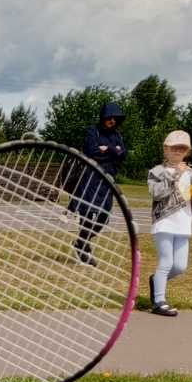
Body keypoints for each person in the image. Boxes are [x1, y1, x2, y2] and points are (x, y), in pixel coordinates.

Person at [147, 128, 192, 318]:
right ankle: (159, 301)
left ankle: (156, 280)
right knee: (166, 261)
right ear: (166, 149)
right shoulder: (157, 171)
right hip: (164, 222)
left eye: (182, 148)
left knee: (179, 266)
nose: (178, 151)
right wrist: (175, 175)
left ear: (187, 151)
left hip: (183, 223)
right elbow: (157, 193)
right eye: (174, 148)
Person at [70, 101, 126, 264]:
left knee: (104, 216)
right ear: (103, 117)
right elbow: (92, 152)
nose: (112, 121)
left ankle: (81, 242)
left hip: (107, 180)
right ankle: (84, 250)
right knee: (87, 215)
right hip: (90, 178)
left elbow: (123, 154)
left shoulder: (117, 135)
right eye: (110, 117)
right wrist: (112, 150)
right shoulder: (92, 131)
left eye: (115, 118)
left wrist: (106, 149)